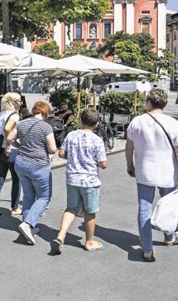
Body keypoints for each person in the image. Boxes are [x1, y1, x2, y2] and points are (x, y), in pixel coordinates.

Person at [126, 88, 178, 262]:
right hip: (168, 171)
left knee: (144, 209)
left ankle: (147, 249)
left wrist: (129, 164)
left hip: (144, 170)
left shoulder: (137, 122)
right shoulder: (172, 123)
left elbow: (129, 146)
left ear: (148, 102)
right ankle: (169, 237)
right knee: (168, 207)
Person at [53, 108, 108, 254]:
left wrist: (73, 158)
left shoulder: (71, 135)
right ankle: (89, 242)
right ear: (96, 124)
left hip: (72, 177)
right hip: (89, 180)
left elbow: (62, 153)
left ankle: (61, 236)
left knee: (71, 208)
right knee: (90, 211)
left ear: (81, 121)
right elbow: (103, 164)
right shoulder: (97, 140)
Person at [10, 101, 57, 245]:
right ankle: (28, 224)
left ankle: (28, 225)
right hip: (38, 166)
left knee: (29, 195)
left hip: (21, 163)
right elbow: (52, 149)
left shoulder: (22, 123)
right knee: (44, 197)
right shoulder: (46, 127)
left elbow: (9, 138)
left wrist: (21, 145)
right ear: (45, 112)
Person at [0, 92, 22, 220]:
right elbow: (8, 129)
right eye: (18, 101)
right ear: (12, 102)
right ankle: (15, 207)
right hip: (11, 150)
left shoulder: (0, 115)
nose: (20, 103)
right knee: (16, 179)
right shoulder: (14, 116)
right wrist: (8, 144)